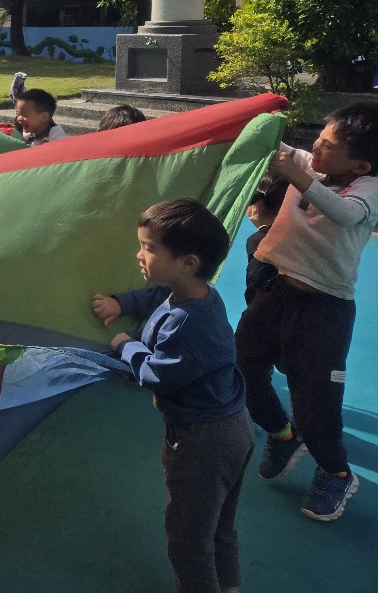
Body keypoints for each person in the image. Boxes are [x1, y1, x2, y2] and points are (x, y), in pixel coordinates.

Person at [91, 200, 253, 593]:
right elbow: (156, 297)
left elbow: (156, 375)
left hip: (205, 442)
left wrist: (125, 345)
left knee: (188, 542)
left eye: (148, 248)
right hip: (232, 426)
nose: (139, 254)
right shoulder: (196, 294)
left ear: (187, 262)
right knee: (219, 527)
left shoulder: (189, 323)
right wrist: (121, 303)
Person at [235, 103, 378, 522]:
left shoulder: (372, 188)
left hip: (326, 309)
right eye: (319, 137)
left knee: (315, 404)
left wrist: (297, 175)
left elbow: (345, 214)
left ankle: (336, 472)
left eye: (328, 145)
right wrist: (256, 118)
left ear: (360, 165)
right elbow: (272, 147)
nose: (316, 146)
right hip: (277, 291)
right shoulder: (310, 164)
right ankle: (282, 436)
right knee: (242, 367)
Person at [243, 177, 289, 305]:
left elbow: (256, 283)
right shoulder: (297, 233)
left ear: (257, 205)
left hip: (271, 311)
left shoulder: (258, 240)